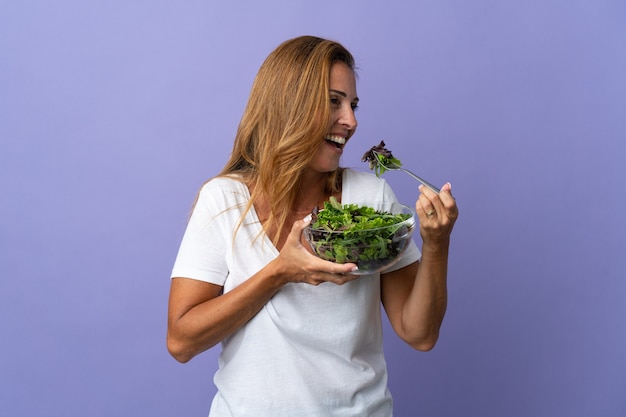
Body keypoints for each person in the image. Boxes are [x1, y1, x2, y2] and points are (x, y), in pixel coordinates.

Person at [167, 35, 458, 417]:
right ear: (288, 104)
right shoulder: (224, 201)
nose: (351, 121)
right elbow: (181, 341)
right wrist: (280, 272)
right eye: (333, 101)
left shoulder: (371, 199)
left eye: (353, 105)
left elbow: (419, 334)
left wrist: (437, 243)